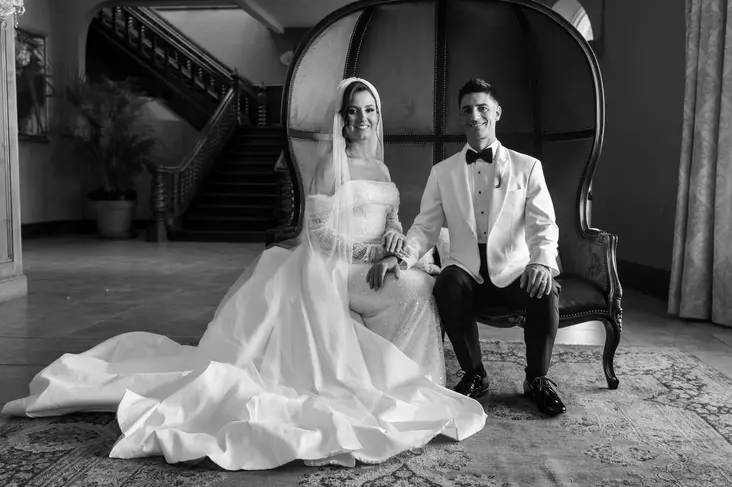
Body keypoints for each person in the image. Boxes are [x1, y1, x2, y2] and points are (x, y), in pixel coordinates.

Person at [1, 77, 486, 470]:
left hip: (375, 262)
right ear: (342, 119)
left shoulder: (380, 169)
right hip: (336, 269)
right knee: (416, 289)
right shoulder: (328, 167)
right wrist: (373, 252)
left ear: (378, 118)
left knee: (420, 284)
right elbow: (320, 237)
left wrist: (395, 242)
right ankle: (393, 383)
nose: (362, 119)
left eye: (370, 111)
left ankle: (411, 378)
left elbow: (394, 220)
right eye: (354, 111)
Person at [398, 78, 567, 417]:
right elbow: (425, 227)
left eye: (482, 108)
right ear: (461, 117)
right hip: (467, 273)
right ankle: (476, 375)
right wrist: (400, 257)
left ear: (497, 112)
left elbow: (543, 225)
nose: (475, 115)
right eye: (467, 110)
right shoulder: (442, 172)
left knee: (546, 290)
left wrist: (541, 264)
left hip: (515, 270)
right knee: (447, 282)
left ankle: (537, 379)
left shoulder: (527, 166)